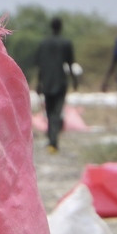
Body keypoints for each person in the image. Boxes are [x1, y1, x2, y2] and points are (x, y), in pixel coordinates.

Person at [34, 16, 78, 153]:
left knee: (50, 112)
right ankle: (53, 140)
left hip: (47, 81)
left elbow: (41, 65)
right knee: (56, 113)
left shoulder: (43, 43)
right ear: (60, 27)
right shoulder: (66, 43)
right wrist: (74, 80)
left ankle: (52, 139)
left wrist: (39, 83)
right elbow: (70, 64)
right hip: (60, 82)